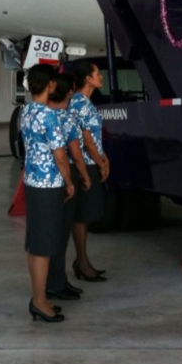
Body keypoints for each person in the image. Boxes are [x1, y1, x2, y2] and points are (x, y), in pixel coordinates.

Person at [21, 64, 75, 323]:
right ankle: (40, 302)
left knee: (35, 244)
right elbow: (60, 155)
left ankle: (38, 296)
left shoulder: (27, 111)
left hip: (31, 182)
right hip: (48, 185)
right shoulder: (49, 116)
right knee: (44, 246)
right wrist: (69, 182)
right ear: (51, 85)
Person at [46, 72, 91, 302]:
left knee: (50, 234)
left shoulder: (39, 113)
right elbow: (74, 154)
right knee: (61, 233)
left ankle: (55, 280)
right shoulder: (66, 118)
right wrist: (83, 177)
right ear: (69, 92)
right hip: (64, 176)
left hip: (43, 179)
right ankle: (56, 283)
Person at [68, 60, 110, 282]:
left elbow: (93, 138)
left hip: (91, 161)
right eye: (97, 74)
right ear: (88, 79)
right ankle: (82, 262)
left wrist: (103, 157)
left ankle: (82, 260)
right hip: (84, 164)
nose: (101, 77)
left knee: (84, 215)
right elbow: (86, 140)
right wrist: (100, 161)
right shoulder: (80, 104)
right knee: (82, 216)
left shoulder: (84, 102)